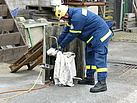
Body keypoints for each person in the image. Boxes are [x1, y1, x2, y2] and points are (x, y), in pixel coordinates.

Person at [55, 5, 114, 93]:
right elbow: (66, 31)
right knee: (89, 57)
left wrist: (61, 46)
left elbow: (72, 34)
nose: (63, 20)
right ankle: (90, 78)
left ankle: (102, 83)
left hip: (100, 36)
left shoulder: (77, 17)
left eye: (63, 18)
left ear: (66, 14)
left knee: (99, 59)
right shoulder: (73, 16)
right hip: (92, 37)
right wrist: (57, 43)